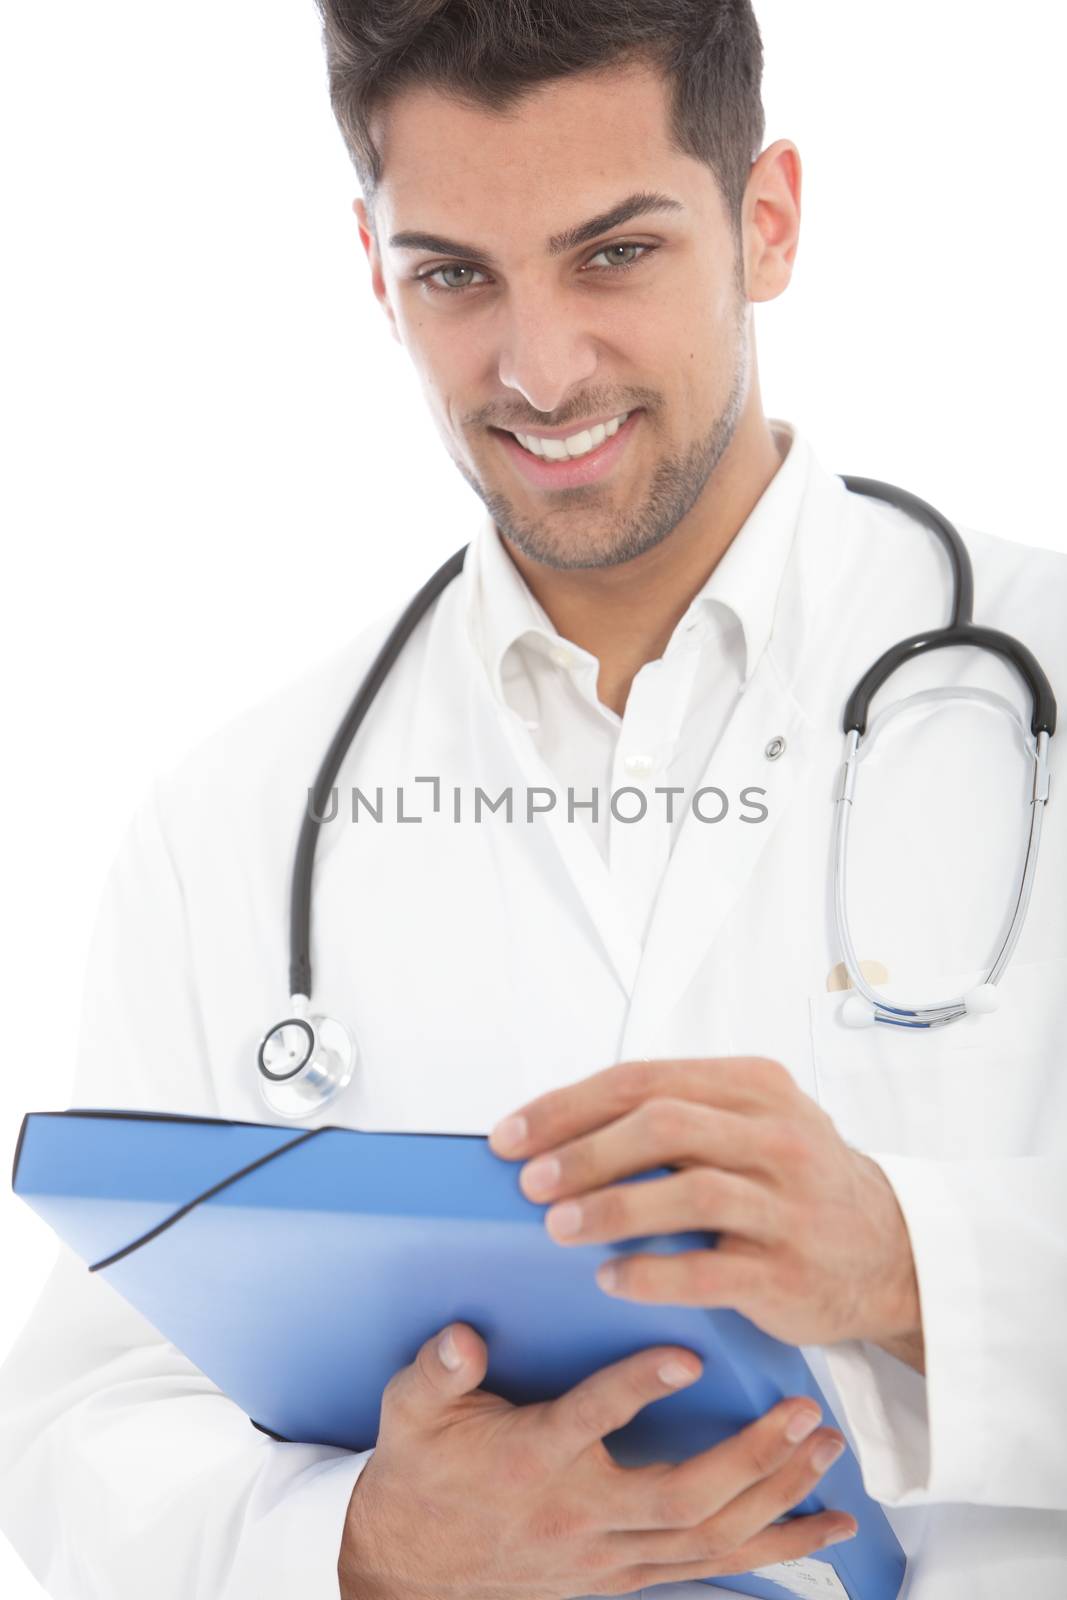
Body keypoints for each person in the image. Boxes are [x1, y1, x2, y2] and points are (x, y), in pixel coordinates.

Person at [1, 1, 1066, 1596]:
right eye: (455, 275)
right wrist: (359, 1545)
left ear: (764, 221)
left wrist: (913, 1263)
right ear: (378, 273)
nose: (538, 367)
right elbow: (85, 1424)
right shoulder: (230, 819)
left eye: (615, 254)